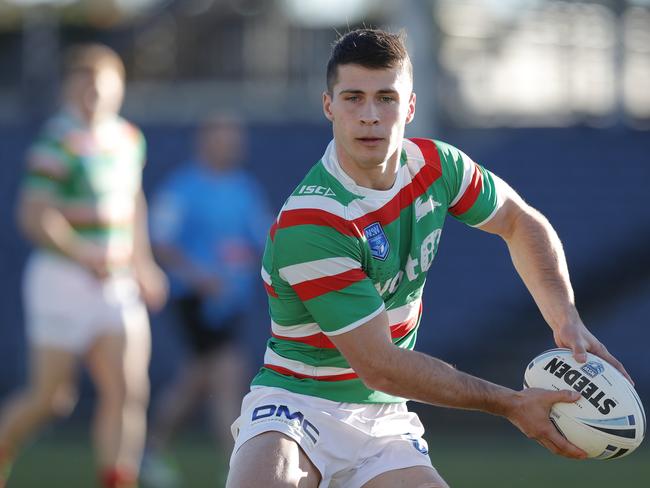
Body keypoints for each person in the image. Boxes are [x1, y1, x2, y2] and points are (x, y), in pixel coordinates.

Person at [226, 28, 633, 488]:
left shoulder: (437, 166)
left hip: (382, 417)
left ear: (410, 107)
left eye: (386, 98)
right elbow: (378, 362)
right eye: (353, 98)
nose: (370, 116)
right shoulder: (313, 219)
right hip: (296, 403)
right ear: (329, 107)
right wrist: (510, 403)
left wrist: (566, 319)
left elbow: (521, 222)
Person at [0, 43, 168, 488]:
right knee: (51, 399)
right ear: (69, 87)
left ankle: (117, 479)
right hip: (62, 280)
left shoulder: (129, 138)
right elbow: (32, 214)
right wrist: (82, 253)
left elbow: (133, 204)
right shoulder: (58, 139)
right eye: (84, 81)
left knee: (129, 390)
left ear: (120, 87)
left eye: (103, 82)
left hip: (116, 284)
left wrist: (143, 264)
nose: (94, 91)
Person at [142, 116, 271, 486]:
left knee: (196, 380)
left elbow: (264, 239)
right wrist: (200, 277)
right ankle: (237, 465)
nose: (230, 145)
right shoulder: (183, 188)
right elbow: (161, 242)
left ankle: (151, 450)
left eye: (234, 138)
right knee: (227, 375)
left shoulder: (245, 188)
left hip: (231, 304)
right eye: (221, 137)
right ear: (204, 141)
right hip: (194, 301)